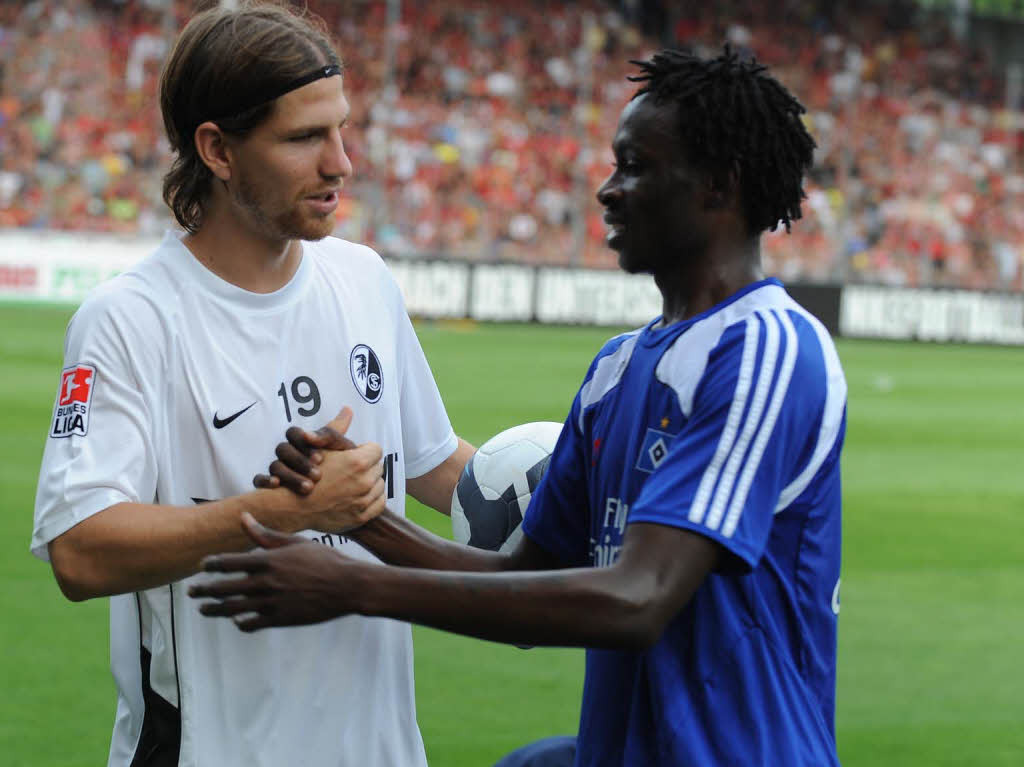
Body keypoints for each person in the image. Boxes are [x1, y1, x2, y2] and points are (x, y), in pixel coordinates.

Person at [192, 47, 848, 766]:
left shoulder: (763, 350)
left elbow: (639, 599)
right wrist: (364, 519)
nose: (608, 190)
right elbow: (518, 579)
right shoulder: (618, 370)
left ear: (719, 188)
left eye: (637, 166)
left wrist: (354, 585)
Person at [31, 4, 473, 766]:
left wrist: (585, 494)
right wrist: (277, 512)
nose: (342, 162)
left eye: (341, 128)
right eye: (305, 138)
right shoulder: (131, 319)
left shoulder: (363, 278)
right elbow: (80, 549)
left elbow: (436, 467)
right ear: (217, 149)